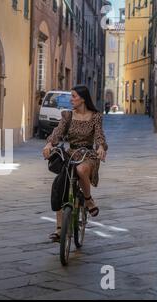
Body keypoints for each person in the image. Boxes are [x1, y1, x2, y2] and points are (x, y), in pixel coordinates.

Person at [42, 85, 108, 242]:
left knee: (81, 169)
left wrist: (100, 147)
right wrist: (49, 144)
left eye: (74, 96)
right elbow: (58, 132)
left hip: (88, 154)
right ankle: (59, 229)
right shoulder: (68, 116)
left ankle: (88, 199)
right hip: (70, 154)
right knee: (59, 185)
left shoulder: (95, 116)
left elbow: (99, 135)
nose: (71, 99)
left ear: (83, 99)